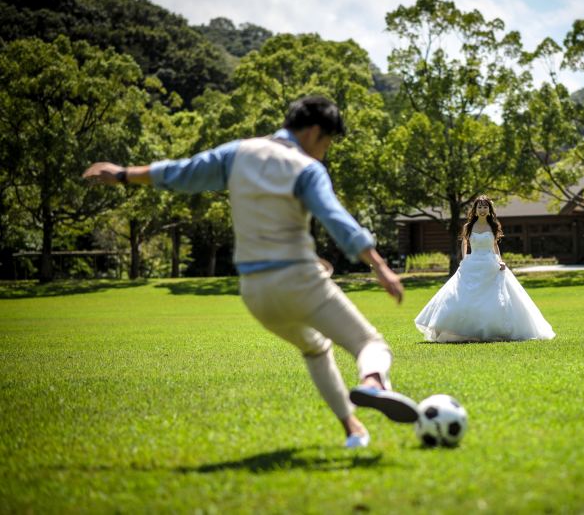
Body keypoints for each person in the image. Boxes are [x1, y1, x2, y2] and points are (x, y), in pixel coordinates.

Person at [83, 95, 418, 448]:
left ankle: (352, 428)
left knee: (316, 350)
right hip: (301, 282)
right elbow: (336, 219)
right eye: (328, 142)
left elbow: (182, 173)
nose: (326, 151)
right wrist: (380, 266)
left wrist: (122, 174)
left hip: (257, 294)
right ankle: (373, 384)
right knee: (369, 344)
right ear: (315, 131)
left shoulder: (237, 153)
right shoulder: (306, 168)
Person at [415, 195, 556, 343]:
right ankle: (460, 329)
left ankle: (497, 329)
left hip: (490, 264)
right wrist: (464, 258)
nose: (482, 210)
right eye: (480, 207)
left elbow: (495, 245)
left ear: (489, 210)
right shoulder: (468, 227)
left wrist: (500, 261)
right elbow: (464, 243)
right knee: (461, 296)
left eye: (485, 207)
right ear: (475, 210)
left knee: (495, 297)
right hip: (472, 263)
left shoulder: (493, 226)